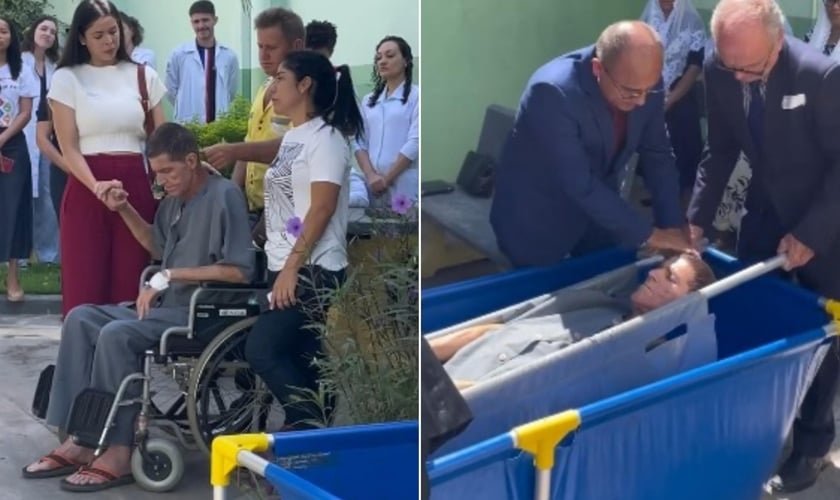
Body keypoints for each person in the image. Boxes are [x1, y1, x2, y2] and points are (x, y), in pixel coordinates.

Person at [21, 122, 254, 492]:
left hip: (200, 313)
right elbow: (157, 247)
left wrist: (170, 276)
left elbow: (240, 270)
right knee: (81, 318)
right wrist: (124, 208)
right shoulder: (173, 203)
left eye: (167, 171)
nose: (161, 181)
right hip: (166, 308)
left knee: (117, 334)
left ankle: (118, 448)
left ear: (191, 161)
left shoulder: (224, 196)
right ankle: (79, 438)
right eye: (156, 173)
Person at [687, 0, 840, 493]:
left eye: (751, 67)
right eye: (731, 66)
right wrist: (696, 223)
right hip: (767, 213)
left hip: (828, 222)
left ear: (778, 42)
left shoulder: (822, 77)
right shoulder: (721, 66)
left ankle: (813, 445)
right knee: (751, 314)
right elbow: (722, 149)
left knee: (823, 335)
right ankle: (756, 431)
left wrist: (812, 235)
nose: (740, 78)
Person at [490, 21, 691, 268]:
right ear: (598, 69)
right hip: (537, 220)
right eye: (630, 92)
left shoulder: (644, 81)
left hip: (598, 219)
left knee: (604, 290)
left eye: (648, 90)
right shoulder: (552, 92)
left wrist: (672, 230)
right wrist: (650, 235)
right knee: (536, 301)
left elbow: (658, 155)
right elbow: (579, 184)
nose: (641, 101)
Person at [243, 50, 364, 430]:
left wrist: (292, 268)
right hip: (286, 263)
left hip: (313, 267)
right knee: (305, 358)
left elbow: (323, 207)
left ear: (305, 84)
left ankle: (303, 431)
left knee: (261, 349)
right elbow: (291, 196)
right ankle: (315, 444)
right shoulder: (295, 135)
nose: (272, 86)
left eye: (280, 78)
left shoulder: (327, 138)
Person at [433, 252, 715, 386]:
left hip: (451, 405)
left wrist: (436, 394)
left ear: (686, 305)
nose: (653, 274)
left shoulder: (640, 363)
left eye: (671, 278)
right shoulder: (596, 305)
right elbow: (501, 330)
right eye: (660, 268)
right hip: (444, 373)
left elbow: (509, 396)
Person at [48, 0, 165, 317]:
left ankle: (125, 361)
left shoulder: (144, 76)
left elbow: (161, 139)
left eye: (113, 32)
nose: (109, 41)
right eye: (99, 35)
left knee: (130, 281)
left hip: (134, 184)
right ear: (82, 38)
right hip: (87, 184)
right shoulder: (66, 79)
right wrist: (96, 185)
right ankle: (83, 361)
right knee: (84, 285)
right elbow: (69, 146)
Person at [230, 7, 303, 235]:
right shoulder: (264, 87)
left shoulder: (303, 92)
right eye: (260, 47)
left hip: (286, 209)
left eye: (271, 48)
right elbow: (249, 141)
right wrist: (231, 192)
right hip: (254, 207)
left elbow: (294, 148)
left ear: (296, 46)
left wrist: (232, 151)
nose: (263, 55)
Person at [640, 0, 706, 202]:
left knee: (684, 148)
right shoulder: (647, 20)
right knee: (654, 147)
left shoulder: (692, 21)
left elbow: (694, 67)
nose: (666, 5)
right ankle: (662, 195)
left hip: (681, 92)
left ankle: (686, 205)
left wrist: (669, 100)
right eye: (662, 2)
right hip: (650, 89)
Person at [0, 16, 38, 303]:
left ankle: (13, 277)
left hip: (12, 143)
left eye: (3, 31)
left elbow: (25, 112)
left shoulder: (21, 70)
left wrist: (3, 138)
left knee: (13, 209)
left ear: (11, 36)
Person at [354, 36, 419, 206]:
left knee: (403, 231)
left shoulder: (416, 96)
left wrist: (388, 178)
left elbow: (415, 142)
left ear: (406, 61)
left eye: (390, 56)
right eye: (379, 57)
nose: (383, 61)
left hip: (403, 181)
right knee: (376, 231)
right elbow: (359, 140)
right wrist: (371, 176)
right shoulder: (369, 101)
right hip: (373, 184)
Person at [22, 15, 60, 266]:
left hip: (48, 137)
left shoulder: (56, 66)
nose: (47, 33)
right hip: (21, 135)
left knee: (46, 196)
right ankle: (18, 256)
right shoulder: (18, 62)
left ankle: (48, 255)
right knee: (20, 195)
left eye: (53, 32)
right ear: (33, 31)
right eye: (43, 28)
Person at [165, 0, 239, 124]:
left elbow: (230, 92)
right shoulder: (178, 54)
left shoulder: (229, 56)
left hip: (219, 124)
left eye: (205, 20)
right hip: (188, 123)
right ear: (191, 23)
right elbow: (171, 91)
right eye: (196, 21)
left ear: (215, 20)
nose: (201, 26)